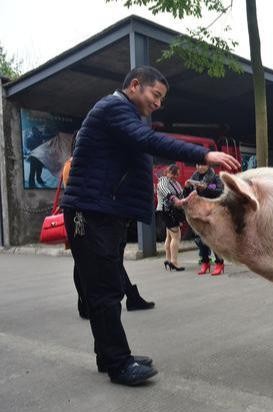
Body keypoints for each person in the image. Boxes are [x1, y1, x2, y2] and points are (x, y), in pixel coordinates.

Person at [60, 66, 240, 386]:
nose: (158, 103)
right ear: (134, 86)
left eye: (162, 99)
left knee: (107, 288)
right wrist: (204, 154)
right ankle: (118, 362)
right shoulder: (114, 108)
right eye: (155, 95)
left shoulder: (122, 114)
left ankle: (108, 356)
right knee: (105, 291)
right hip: (91, 213)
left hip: (104, 213)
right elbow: (149, 140)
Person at [63, 156, 155, 320]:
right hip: (85, 222)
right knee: (84, 264)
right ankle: (86, 303)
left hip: (109, 220)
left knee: (112, 261)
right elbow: (75, 192)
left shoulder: (100, 162)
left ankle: (128, 297)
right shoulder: (72, 164)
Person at [183, 162, 225, 275]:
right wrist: (186, 188)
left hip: (212, 211)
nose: (200, 167)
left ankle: (219, 263)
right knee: (200, 240)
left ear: (208, 166)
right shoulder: (194, 178)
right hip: (198, 213)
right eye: (197, 165)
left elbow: (220, 192)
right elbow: (186, 195)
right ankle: (205, 262)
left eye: (202, 165)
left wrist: (206, 189)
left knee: (214, 239)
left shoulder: (215, 177)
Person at [156, 164, 185, 271]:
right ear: (167, 172)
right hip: (167, 211)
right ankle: (174, 262)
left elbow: (181, 195)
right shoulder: (163, 180)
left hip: (170, 212)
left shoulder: (176, 183)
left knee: (169, 237)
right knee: (176, 236)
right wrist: (173, 198)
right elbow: (163, 189)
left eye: (177, 174)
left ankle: (168, 260)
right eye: (173, 173)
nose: (175, 176)